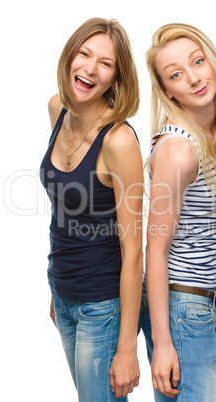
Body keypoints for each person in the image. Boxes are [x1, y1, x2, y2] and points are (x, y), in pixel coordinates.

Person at [141, 23, 216, 401]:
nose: (193, 78)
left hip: (206, 295)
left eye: (198, 62)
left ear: (212, 61)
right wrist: (162, 344)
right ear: (168, 91)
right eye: (176, 74)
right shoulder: (179, 151)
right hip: (179, 305)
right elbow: (154, 250)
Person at [40, 18, 143, 401]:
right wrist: (57, 291)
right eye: (84, 54)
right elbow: (64, 210)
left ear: (116, 78)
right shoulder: (57, 110)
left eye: (106, 63)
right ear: (70, 56)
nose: (89, 68)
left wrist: (127, 347)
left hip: (102, 306)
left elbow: (134, 251)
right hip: (64, 293)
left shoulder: (118, 141)